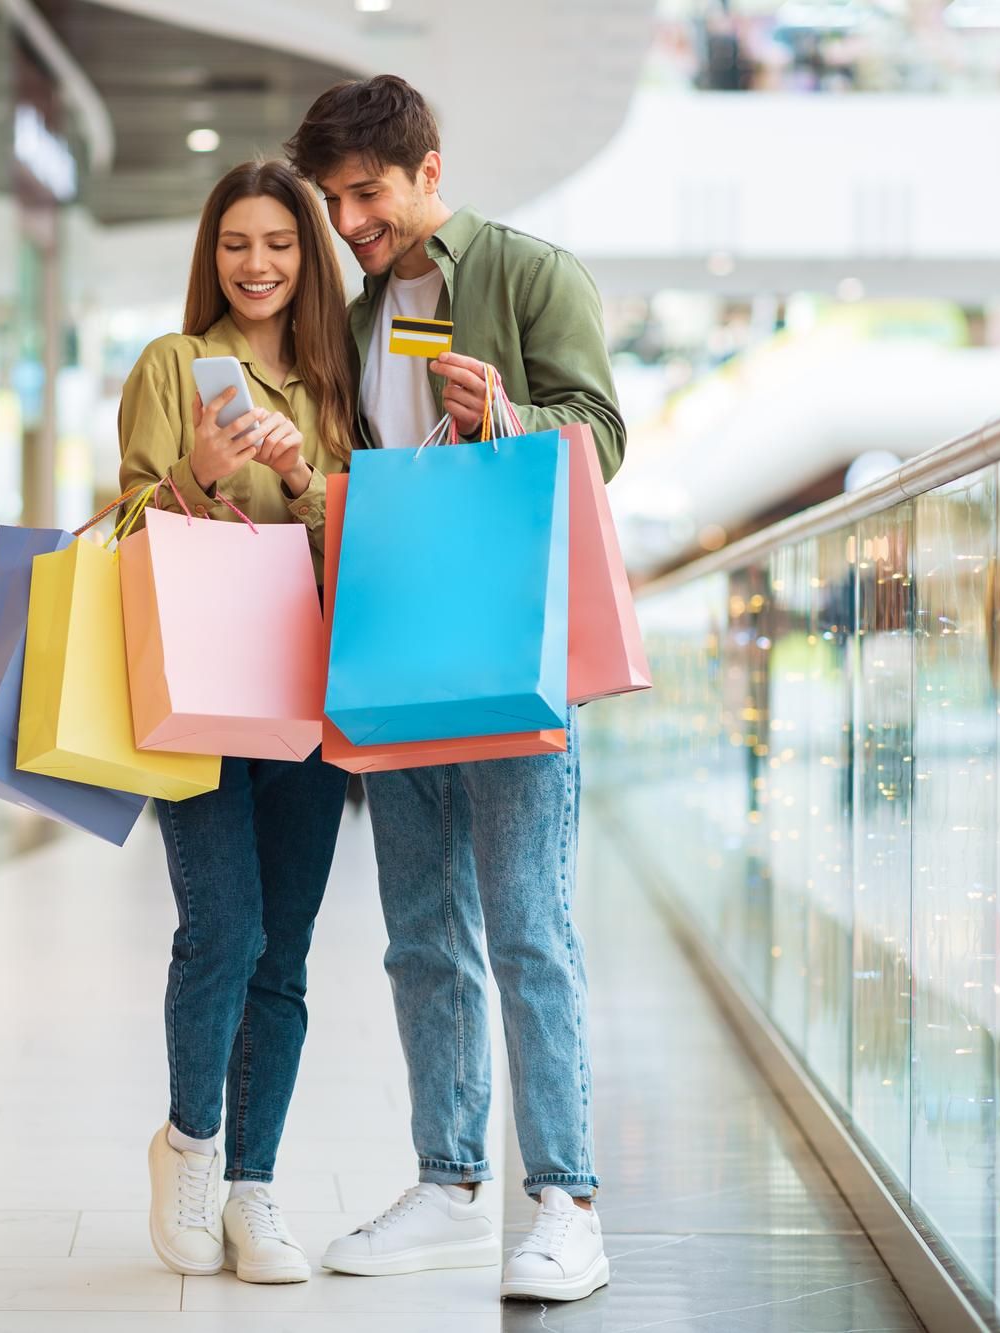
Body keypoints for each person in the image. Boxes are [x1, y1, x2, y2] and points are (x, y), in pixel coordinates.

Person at [285, 75, 626, 1304]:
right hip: (394, 647)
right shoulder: (361, 309)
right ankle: (447, 1183)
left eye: (365, 194)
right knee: (421, 933)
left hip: (506, 645)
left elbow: (603, 432)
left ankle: (565, 1202)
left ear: (428, 169)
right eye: (333, 202)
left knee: (529, 928)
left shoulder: (532, 275)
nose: (349, 222)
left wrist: (510, 415)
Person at [117, 159, 359, 1286]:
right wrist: (194, 477)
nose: (256, 264)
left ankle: (255, 1188)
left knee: (287, 947)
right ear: (209, 256)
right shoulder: (170, 367)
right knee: (223, 925)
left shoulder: (335, 377)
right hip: (201, 685)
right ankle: (191, 1146)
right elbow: (122, 526)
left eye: (277, 243)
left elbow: (367, 546)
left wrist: (307, 480)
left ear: (306, 258)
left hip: (303, 683)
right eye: (234, 244)